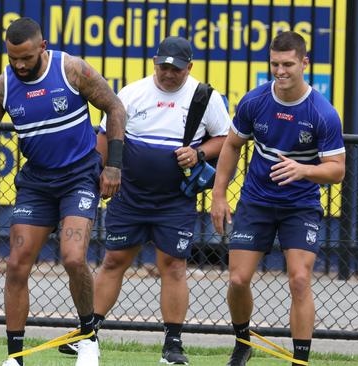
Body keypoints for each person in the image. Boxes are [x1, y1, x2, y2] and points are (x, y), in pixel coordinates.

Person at [0, 17, 126, 366]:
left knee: (72, 257)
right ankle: (17, 356)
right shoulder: (1, 88)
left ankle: (87, 339)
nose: (20, 65)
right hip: (37, 184)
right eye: (13, 58)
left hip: (79, 177)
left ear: (42, 47)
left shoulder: (72, 70)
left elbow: (114, 107)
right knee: (15, 265)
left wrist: (113, 165)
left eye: (26, 57)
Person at [59, 36, 231, 365]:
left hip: (175, 199)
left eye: (176, 69)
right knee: (113, 261)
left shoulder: (204, 97)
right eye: (163, 66)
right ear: (154, 62)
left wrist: (198, 153)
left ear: (189, 68)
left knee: (174, 266)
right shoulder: (132, 93)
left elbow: (224, 139)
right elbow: (107, 135)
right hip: (130, 194)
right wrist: (98, 176)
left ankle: (173, 343)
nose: (168, 73)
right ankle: (88, 334)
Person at [210, 31, 345, 366]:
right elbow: (232, 145)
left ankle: (300, 360)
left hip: (299, 206)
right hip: (256, 202)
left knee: (299, 279)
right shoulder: (255, 101)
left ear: (304, 63)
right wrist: (218, 193)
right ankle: (243, 342)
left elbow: (337, 170)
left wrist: (303, 170)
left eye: (288, 64)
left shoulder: (322, 113)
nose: (281, 71)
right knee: (238, 280)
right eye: (275, 64)